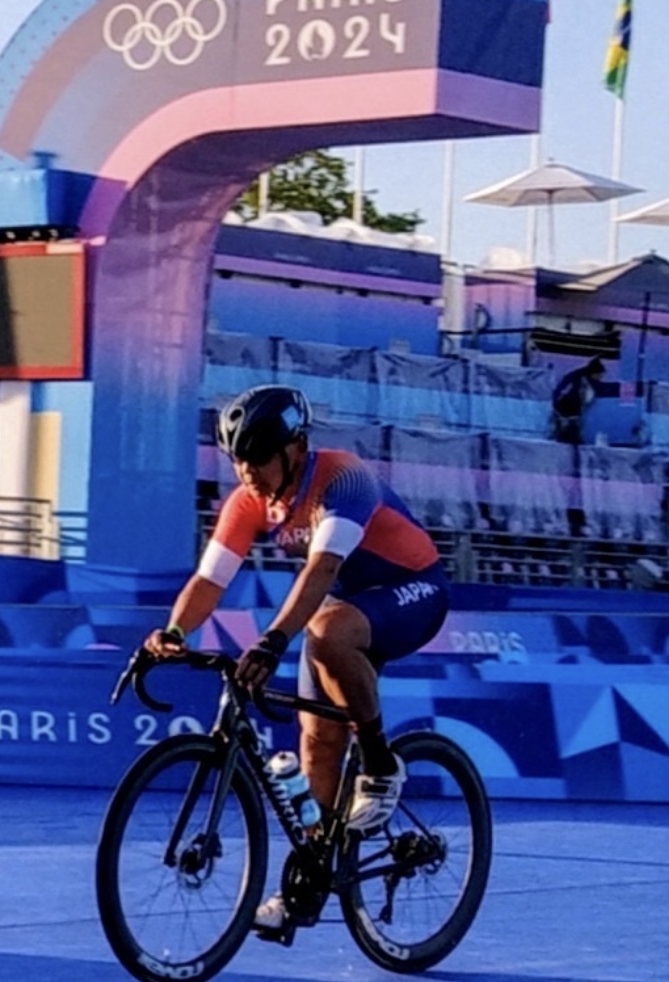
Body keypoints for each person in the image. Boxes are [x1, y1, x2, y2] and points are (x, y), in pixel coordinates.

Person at [143, 384, 451, 932]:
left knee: (325, 632)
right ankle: (312, 878)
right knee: (316, 741)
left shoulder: (344, 477)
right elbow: (209, 580)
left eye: (259, 457)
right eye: (238, 459)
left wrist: (271, 641)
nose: (247, 472)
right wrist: (173, 631)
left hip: (414, 588)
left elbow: (322, 569)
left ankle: (380, 765)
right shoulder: (249, 500)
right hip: (346, 604)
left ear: (296, 448)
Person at [550, 356, 606, 444]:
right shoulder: (577, 379)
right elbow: (563, 395)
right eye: (600, 376)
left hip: (571, 412)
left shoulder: (584, 379)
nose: (601, 378)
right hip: (565, 411)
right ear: (594, 373)